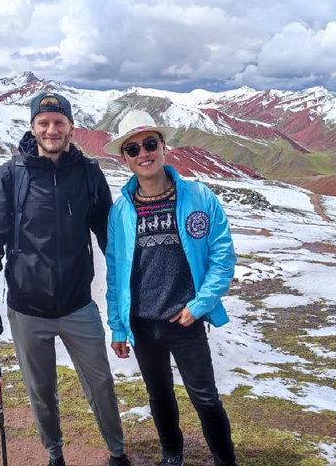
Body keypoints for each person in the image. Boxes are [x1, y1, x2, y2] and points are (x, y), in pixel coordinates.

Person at [0, 93, 132, 466]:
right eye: (43, 123)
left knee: (101, 385)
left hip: (78, 304)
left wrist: (131, 279)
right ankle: (54, 454)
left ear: (71, 128)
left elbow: (110, 236)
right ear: (33, 127)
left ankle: (117, 452)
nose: (52, 129)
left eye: (59, 123)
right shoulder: (12, 174)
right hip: (27, 308)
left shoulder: (89, 174)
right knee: (41, 391)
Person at [103, 110, 238, 466]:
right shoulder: (120, 211)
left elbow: (222, 259)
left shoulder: (198, 197)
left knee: (205, 398)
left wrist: (199, 305)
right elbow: (115, 273)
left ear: (164, 146)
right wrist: (118, 325)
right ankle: (171, 454)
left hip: (186, 321)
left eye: (150, 143)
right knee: (159, 394)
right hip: (143, 324)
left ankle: (226, 460)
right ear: (125, 158)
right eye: (133, 149)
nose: (143, 153)